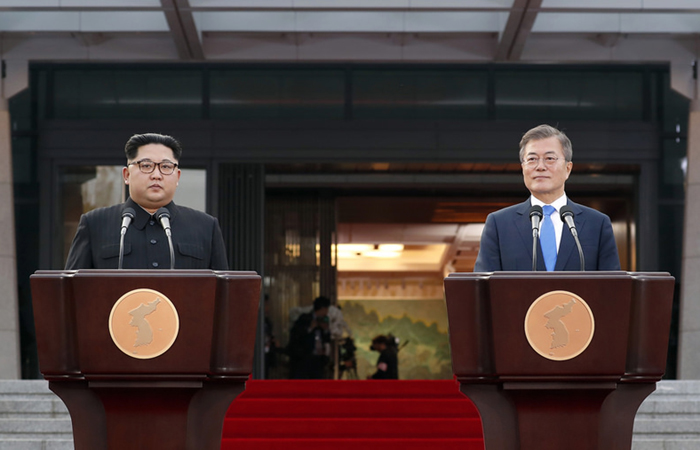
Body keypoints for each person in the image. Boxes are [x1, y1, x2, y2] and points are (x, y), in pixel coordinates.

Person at [65, 133, 228, 270]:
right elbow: (71, 290)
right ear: (126, 175)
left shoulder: (206, 227)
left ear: (177, 176)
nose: (156, 175)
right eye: (146, 165)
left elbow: (224, 293)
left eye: (165, 167)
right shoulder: (95, 224)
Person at [474, 124, 620, 272]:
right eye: (532, 159)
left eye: (550, 158)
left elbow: (612, 287)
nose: (540, 166)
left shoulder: (597, 224)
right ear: (522, 168)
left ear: (568, 169)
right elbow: (481, 286)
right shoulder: (499, 224)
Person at [287, 296, 332, 379]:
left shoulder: (324, 320)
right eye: (326, 309)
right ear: (322, 308)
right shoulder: (305, 318)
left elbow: (327, 338)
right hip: (304, 360)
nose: (327, 312)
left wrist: (325, 330)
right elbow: (297, 336)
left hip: (318, 360)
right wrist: (310, 328)